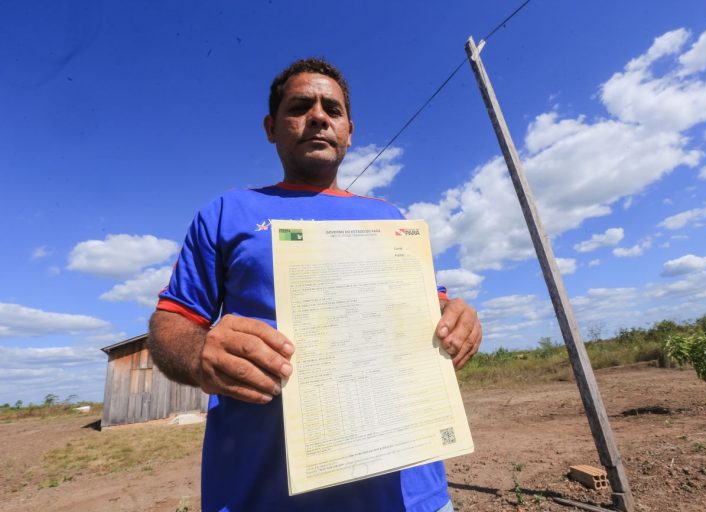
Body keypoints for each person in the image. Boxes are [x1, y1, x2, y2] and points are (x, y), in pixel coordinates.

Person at [148, 57, 482, 512]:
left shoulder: (391, 218)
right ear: (271, 127)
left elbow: (434, 312)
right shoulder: (227, 212)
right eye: (301, 105)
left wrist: (459, 321)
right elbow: (172, 325)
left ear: (348, 131)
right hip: (263, 496)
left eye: (333, 109)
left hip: (411, 497)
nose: (319, 116)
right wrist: (199, 351)